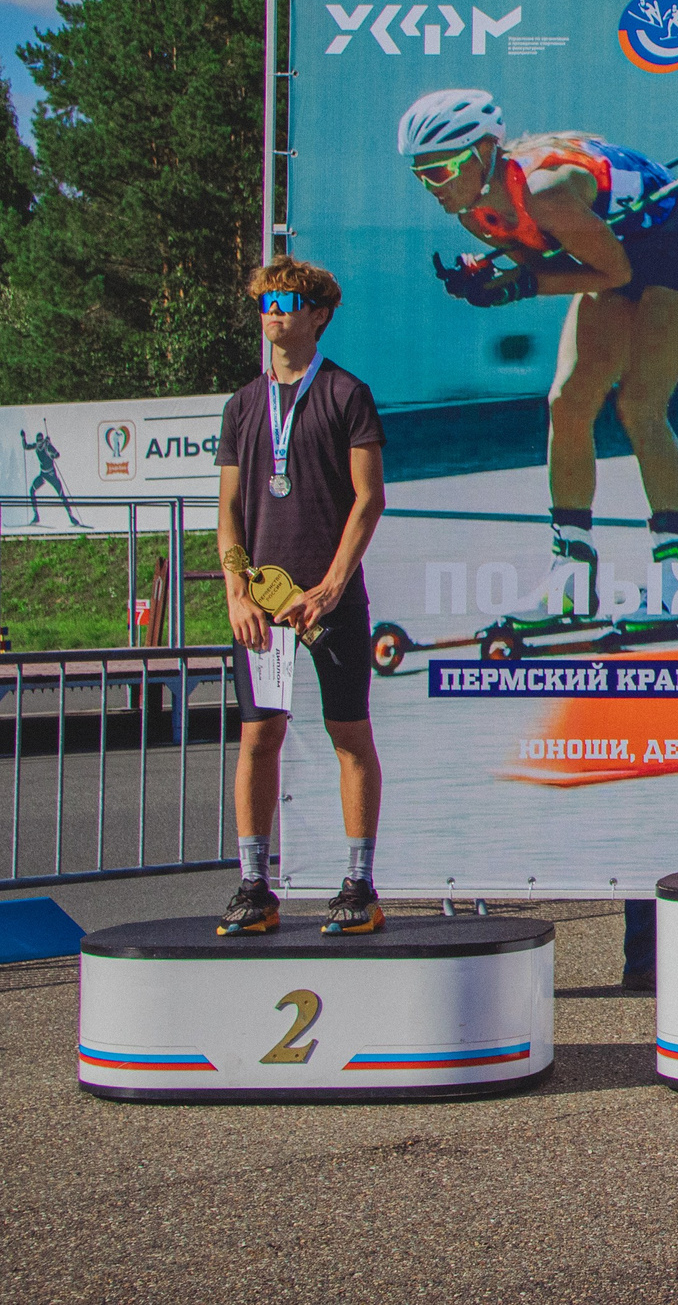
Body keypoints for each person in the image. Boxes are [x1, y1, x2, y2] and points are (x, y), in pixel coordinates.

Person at [395, 89, 678, 613]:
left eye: (438, 172)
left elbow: (611, 273)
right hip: (615, 250)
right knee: (567, 402)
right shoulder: (472, 212)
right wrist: (492, 274)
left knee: (639, 405)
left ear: (481, 153)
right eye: (420, 175)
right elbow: (547, 260)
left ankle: (675, 577)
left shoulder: (545, 191)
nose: (431, 188)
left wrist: (516, 285)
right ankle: (571, 570)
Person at [215, 259, 389, 936]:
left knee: (348, 734)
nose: (271, 313)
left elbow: (369, 498)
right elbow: (229, 507)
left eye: (284, 301)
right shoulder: (240, 405)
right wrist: (236, 587)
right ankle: (254, 884)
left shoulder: (348, 394)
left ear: (317, 313)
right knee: (260, 734)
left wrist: (333, 584)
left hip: (327, 604)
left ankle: (358, 884)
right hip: (261, 606)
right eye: (262, 302)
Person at [20, 426, 84, 527]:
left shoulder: (47, 445)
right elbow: (26, 447)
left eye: (41, 441)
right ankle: (36, 516)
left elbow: (57, 454)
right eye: (38, 441)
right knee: (32, 490)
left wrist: (52, 454)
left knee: (61, 494)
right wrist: (23, 438)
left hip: (51, 475)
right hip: (43, 474)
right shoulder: (37, 445)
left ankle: (71, 517)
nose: (40, 444)